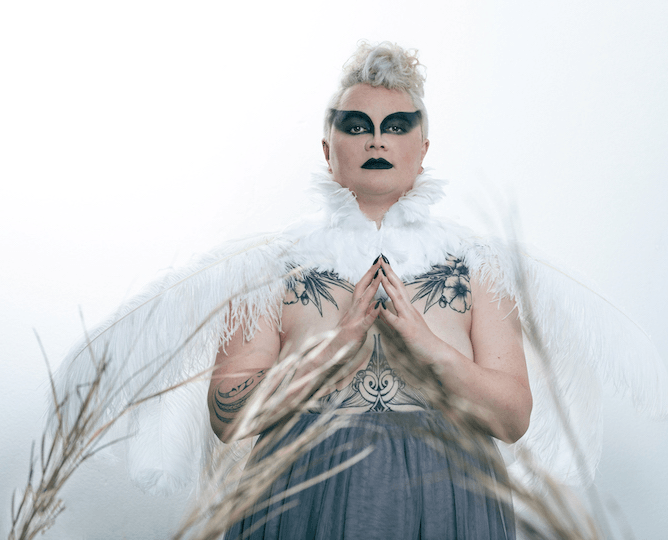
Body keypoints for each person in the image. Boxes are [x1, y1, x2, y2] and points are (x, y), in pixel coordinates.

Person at [209, 42, 531, 539]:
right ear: (326, 149)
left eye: (397, 126)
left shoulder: (479, 267)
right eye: (356, 127)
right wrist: (330, 351)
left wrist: (427, 347)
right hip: (298, 498)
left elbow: (512, 419)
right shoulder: (268, 268)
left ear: (423, 150)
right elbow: (227, 418)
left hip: (450, 500)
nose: (377, 141)